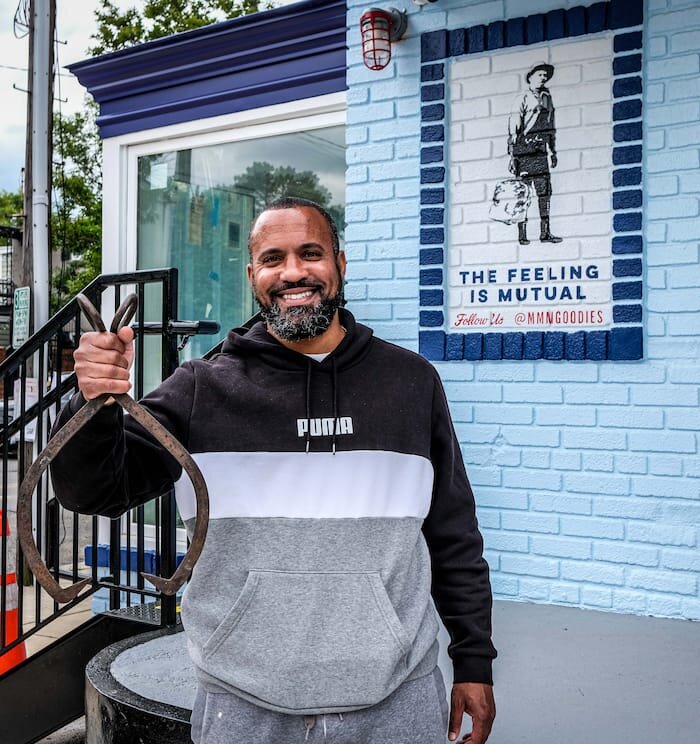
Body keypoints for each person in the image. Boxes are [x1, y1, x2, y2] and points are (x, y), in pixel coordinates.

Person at [50, 197, 497, 744]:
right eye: (273, 258)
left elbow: (453, 533)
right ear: (252, 275)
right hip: (243, 702)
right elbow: (93, 490)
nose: (293, 273)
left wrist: (473, 661)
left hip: (398, 697)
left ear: (339, 264)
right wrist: (91, 404)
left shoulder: (411, 383)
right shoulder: (201, 388)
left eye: (311, 253)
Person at [507, 61, 562, 245]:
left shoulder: (547, 97)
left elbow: (550, 125)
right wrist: (513, 156)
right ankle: (522, 235)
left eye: (545, 76)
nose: (543, 78)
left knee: (544, 193)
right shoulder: (522, 98)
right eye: (540, 74)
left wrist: (553, 151)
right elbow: (514, 129)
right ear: (530, 77)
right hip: (524, 150)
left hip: (541, 151)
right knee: (523, 193)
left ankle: (545, 233)